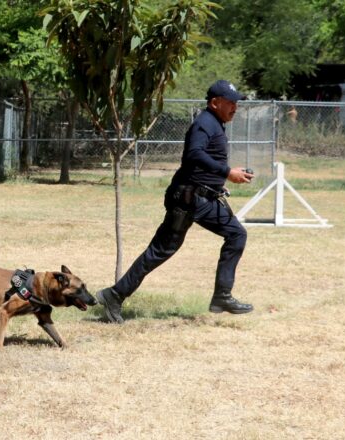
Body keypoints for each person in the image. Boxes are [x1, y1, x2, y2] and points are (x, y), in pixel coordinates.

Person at [96, 80, 255, 324]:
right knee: (164, 250)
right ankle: (114, 295)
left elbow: (201, 162)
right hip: (189, 198)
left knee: (231, 235)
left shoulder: (215, 123)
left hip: (200, 196)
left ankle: (221, 296)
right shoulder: (204, 124)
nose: (235, 107)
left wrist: (221, 178)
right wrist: (226, 172)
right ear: (215, 103)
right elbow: (194, 154)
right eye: (231, 103)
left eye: (236, 103)